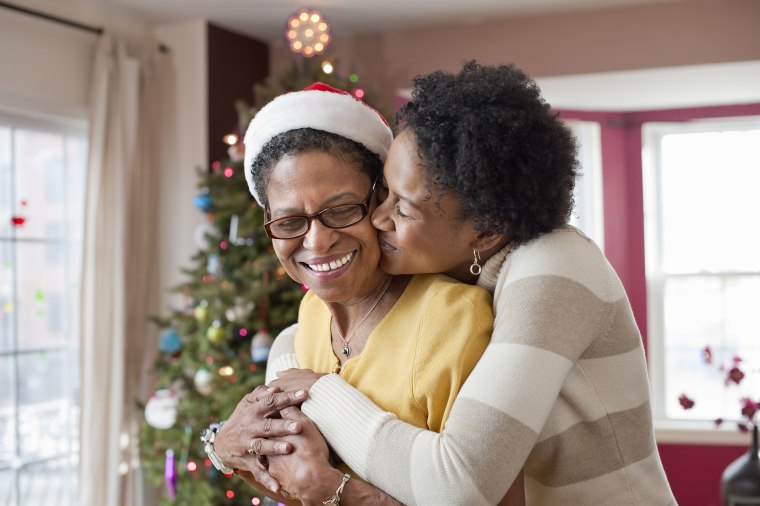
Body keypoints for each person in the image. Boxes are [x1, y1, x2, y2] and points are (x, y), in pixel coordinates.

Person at [227, 61, 676, 505]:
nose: (379, 217)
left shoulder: (553, 265)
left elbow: (458, 485)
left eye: (401, 207)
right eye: (383, 192)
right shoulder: (456, 259)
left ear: (484, 229)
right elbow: (302, 330)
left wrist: (318, 391)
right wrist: (258, 411)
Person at [210, 82, 525, 505]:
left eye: (341, 210)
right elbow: (296, 482)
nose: (317, 243)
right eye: (289, 222)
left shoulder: (454, 318)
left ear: (380, 198)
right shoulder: (311, 315)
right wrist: (223, 447)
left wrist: (336, 492)